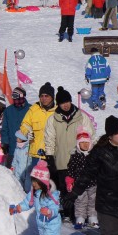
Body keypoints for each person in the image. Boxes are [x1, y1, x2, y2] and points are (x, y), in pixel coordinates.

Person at [44, 86, 95, 217]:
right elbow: (49, 138)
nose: (65, 105)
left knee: (82, 189)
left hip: (80, 160)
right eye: (62, 103)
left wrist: (90, 153)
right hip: (62, 160)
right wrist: (49, 156)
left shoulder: (81, 117)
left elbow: (90, 135)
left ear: (71, 101)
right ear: (58, 104)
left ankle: (82, 215)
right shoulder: (53, 119)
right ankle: (68, 213)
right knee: (64, 187)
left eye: (67, 102)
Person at [9, 160, 62, 235]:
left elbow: (55, 209)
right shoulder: (34, 192)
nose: (33, 184)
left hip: (52, 223)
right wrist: (18, 208)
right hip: (41, 223)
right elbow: (28, 202)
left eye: (36, 181)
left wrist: (48, 212)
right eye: (33, 180)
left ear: (43, 182)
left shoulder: (52, 194)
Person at [66, 129, 97, 229]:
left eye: (87, 142)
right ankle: (80, 218)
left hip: (93, 183)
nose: (85, 145)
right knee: (80, 201)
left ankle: (92, 217)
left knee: (93, 200)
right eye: (82, 143)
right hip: (79, 185)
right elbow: (70, 169)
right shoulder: (75, 156)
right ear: (78, 144)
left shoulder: (94, 155)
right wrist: (70, 181)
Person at [20, 82, 56, 166]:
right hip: (36, 154)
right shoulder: (33, 110)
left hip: (54, 154)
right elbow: (24, 124)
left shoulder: (58, 111)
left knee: (53, 179)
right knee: (36, 178)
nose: (44, 98)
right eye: (41, 96)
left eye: (46, 96)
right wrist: (27, 132)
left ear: (52, 97)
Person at [1, 87, 31, 170]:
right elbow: (5, 128)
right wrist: (5, 142)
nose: (14, 98)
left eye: (16, 96)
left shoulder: (31, 109)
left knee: (25, 173)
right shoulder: (8, 110)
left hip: (27, 150)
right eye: (13, 96)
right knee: (10, 173)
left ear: (22, 96)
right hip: (12, 147)